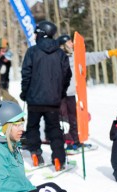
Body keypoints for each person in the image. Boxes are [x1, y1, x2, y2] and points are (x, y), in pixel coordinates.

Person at [58, 34, 117, 152]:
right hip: (60, 95)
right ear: (63, 45)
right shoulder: (56, 58)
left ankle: (77, 142)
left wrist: (109, 53)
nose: (72, 44)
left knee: (75, 119)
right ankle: (68, 144)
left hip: (72, 94)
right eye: (69, 42)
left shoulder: (76, 56)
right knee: (65, 121)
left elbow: (92, 56)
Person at [20, 21, 71, 170]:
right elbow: (67, 75)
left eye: (36, 32)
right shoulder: (61, 54)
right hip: (53, 101)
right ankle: (58, 159)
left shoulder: (32, 52)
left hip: (34, 100)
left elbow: (26, 75)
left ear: (42, 33)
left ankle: (35, 153)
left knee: (33, 127)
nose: (35, 35)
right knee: (54, 129)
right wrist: (60, 93)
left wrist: (25, 92)